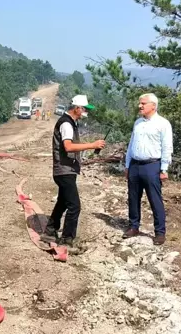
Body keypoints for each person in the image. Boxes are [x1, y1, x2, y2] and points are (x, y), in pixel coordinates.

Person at [41, 94, 106, 251]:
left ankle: (50, 231)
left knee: (63, 202)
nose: (85, 112)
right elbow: (68, 147)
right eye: (84, 109)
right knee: (75, 206)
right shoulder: (66, 124)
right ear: (76, 108)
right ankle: (67, 240)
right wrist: (92, 145)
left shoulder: (71, 123)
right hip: (64, 170)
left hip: (66, 170)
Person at [123, 93, 173, 246]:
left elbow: (167, 147)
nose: (140, 106)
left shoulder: (163, 124)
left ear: (153, 105)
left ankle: (159, 232)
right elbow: (132, 145)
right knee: (133, 197)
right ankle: (134, 226)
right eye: (140, 103)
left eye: (143, 103)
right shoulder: (138, 123)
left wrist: (164, 168)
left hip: (152, 166)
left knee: (155, 199)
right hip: (135, 165)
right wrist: (127, 165)